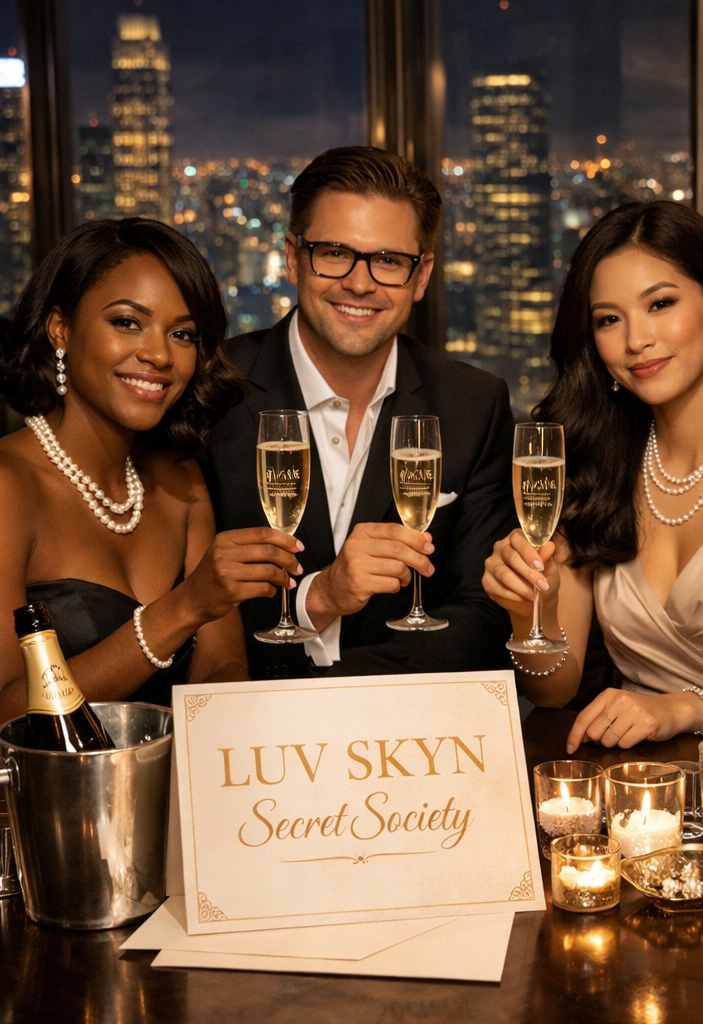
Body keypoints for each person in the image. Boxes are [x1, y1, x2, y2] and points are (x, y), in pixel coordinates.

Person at [483, 200, 703, 750]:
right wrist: (529, 616)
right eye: (609, 319)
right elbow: (553, 690)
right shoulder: (594, 464)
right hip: (634, 776)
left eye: (660, 304)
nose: (635, 339)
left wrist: (687, 708)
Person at [203, 147, 516, 679]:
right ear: (293, 257)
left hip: (411, 725)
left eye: (389, 261)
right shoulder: (213, 394)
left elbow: (484, 621)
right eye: (334, 253)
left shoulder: (473, 404)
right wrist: (317, 598)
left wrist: (342, 695)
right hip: (247, 724)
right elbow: (183, 611)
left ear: (421, 276)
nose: (360, 283)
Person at [0, 219, 305, 721]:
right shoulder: (9, 486)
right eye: (127, 322)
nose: (160, 355)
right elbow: (10, 710)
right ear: (61, 328)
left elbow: (223, 668)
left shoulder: (180, 482)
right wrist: (184, 607)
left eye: (182, 334)